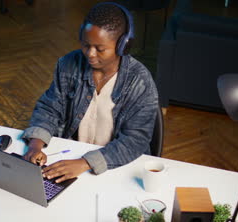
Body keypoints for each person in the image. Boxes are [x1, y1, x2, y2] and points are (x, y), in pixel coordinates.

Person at [22, 2, 158, 183]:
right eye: (86, 45)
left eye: (100, 49)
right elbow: (50, 108)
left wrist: (84, 163)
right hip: (71, 156)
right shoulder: (68, 64)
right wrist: (35, 145)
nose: (90, 54)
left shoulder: (140, 82)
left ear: (122, 46)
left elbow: (135, 141)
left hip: (114, 164)